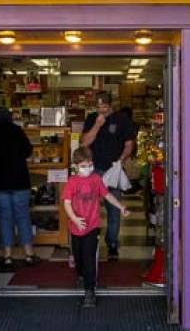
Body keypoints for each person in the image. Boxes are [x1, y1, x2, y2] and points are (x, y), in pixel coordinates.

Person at [63, 147, 129, 308]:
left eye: (90, 165)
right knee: (78, 258)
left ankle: (89, 291)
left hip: (92, 226)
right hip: (75, 228)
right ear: (76, 166)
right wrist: (75, 219)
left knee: (89, 258)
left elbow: (107, 195)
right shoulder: (72, 182)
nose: (88, 168)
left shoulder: (96, 180)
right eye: (84, 166)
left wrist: (121, 207)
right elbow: (67, 203)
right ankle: (80, 273)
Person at [80, 94, 138, 261]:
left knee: (114, 209)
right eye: (98, 107)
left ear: (110, 105)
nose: (101, 110)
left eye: (104, 107)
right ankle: (90, 240)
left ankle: (112, 244)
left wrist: (121, 160)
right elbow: (84, 143)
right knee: (89, 207)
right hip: (94, 170)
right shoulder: (92, 118)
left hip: (113, 170)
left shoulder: (121, 119)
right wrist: (97, 125)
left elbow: (129, 144)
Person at [0, 108, 38, 269]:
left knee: (4, 218)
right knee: (23, 217)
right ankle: (29, 254)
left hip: (0, 182)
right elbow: (28, 151)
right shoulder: (17, 130)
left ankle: (7, 255)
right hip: (19, 181)